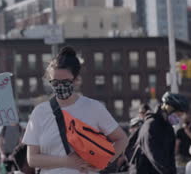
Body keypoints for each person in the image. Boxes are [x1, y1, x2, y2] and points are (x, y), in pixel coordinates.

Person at [22, 46, 128, 174]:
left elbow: (122, 139)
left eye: (65, 82)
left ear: (77, 80)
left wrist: (102, 163)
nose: (60, 86)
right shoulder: (40, 112)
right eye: (55, 83)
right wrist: (66, 162)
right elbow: (32, 159)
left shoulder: (93, 107)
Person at [129, 92, 190, 174]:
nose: (179, 118)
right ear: (169, 109)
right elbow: (155, 157)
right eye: (178, 114)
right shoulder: (151, 125)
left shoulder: (168, 129)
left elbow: (170, 158)